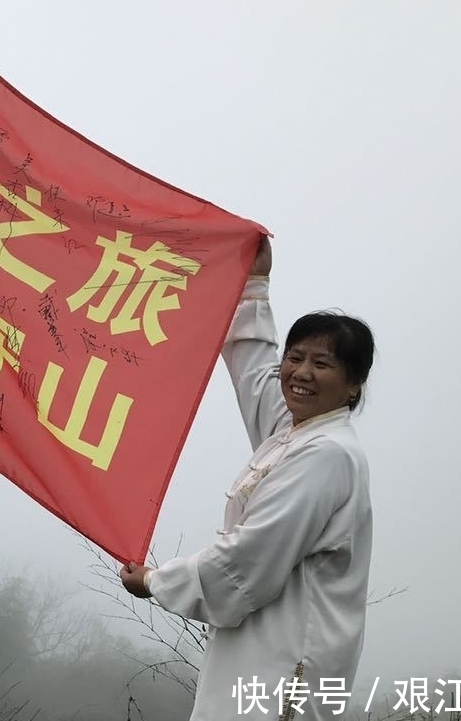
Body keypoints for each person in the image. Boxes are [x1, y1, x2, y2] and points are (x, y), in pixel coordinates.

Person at [119, 236, 375, 720]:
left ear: (354, 382)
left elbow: (249, 562)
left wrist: (157, 581)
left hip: (283, 673)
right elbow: (256, 374)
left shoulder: (327, 455)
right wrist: (255, 284)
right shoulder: (296, 433)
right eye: (295, 358)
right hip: (256, 661)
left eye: (322, 364)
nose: (301, 372)